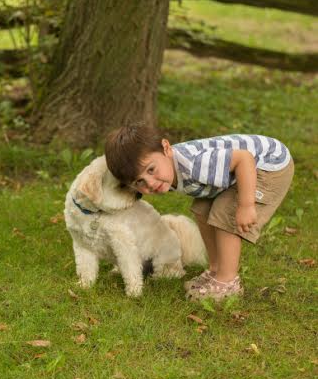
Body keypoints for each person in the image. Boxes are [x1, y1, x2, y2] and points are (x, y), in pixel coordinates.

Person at [104, 124, 294, 302]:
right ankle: (216, 269)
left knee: (225, 212)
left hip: (268, 164)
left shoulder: (196, 164)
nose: (150, 183)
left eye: (151, 170)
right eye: (140, 182)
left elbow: (244, 159)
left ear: (166, 148)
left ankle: (228, 282)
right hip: (242, 168)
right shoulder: (166, 168)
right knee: (202, 208)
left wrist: (246, 205)